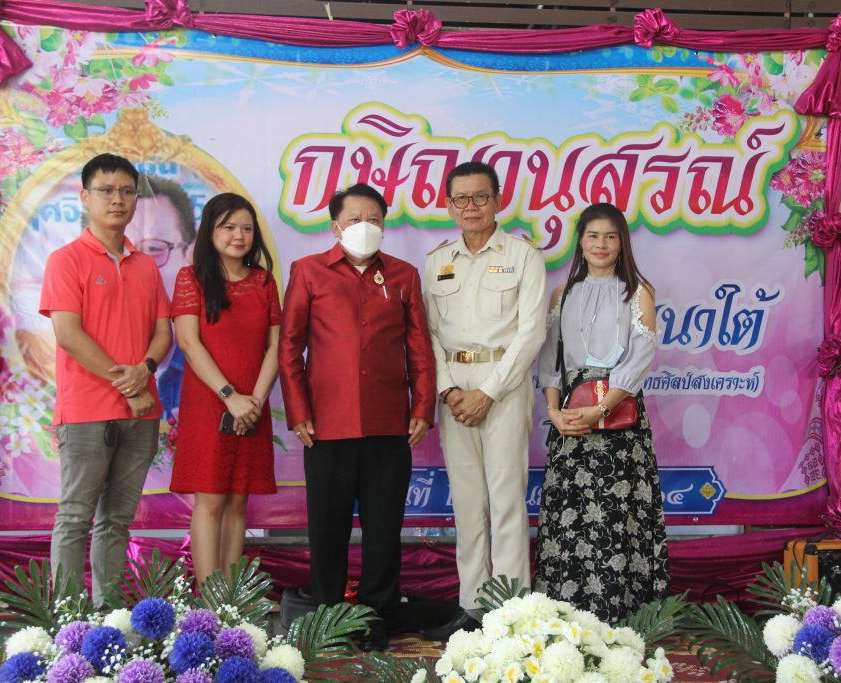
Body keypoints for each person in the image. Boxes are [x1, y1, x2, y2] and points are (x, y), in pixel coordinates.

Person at [279, 183, 436, 651]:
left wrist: (422, 407)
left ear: (384, 226)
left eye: (374, 219)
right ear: (335, 227)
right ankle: (328, 620)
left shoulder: (404, 275)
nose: (364, 227)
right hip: (325, 426)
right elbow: (290, 347)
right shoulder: (308, 271)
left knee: (383, 529)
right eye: (354, 220)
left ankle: (376, 618)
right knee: (328, 529)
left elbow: (419, 349)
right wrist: (298, 412)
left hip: (390, 425)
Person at [421, 161, 547, 640]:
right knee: (468, 502)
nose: (470, 206)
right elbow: (428, 334)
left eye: (480, 197)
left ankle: (511, 612)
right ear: (448, 204)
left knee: (507, 500)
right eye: (461, 198)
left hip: (504, 387)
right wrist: (450, 390)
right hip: (454, 389)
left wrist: (488, 392)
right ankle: (472, 607)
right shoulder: (437, 260)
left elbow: (531, 333)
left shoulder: (523, 256)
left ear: (498, 200)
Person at [40, 153, 172, 607]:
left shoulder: (146, 265)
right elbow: (68, 335)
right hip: (86, 413)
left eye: (127, 191)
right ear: (85, 196)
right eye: (107, 190)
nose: (118, 200)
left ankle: (108, 617)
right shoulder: (66, 260)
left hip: (141, 416)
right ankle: (65, 622)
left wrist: (145, 371)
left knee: (117, 521)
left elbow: (163, 333)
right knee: (75, 517)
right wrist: (130, 385)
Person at [533, 202, 669, 622]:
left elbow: (640, 358)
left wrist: (601, 408)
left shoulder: (639, 292)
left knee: (616, 516)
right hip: (570, 421)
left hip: (619, 421)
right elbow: (550, 360)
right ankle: (565, 613)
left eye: (610, 236)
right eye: (593, 235)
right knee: (569, 516)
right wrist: (554, 411)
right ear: (580, 241)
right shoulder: (561, 294)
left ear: (622, 242)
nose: (601, 244)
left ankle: (621, 615)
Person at [168, 193, 281, 587]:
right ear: (210, 231)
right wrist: (230, 396)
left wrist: (255, 402)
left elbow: (275, 347)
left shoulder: (264, 282)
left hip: (251, 405)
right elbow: (188, 343)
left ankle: (232, 597)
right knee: (212, 498)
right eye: (229, 227)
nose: (239, 235)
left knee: (238, 499)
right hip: (209, 403)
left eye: (246, 228)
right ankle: (208, 597)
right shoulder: (191, 278)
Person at [126, 176, 197, 419]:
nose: (139, 267)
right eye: (125, 252)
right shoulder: (92, 363)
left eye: (154, 249)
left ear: (190, 255)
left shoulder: (207, 363)